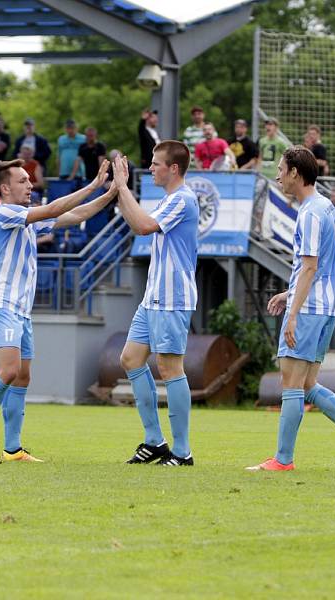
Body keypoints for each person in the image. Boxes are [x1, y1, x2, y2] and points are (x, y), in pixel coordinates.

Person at [0, 158, 117, 463]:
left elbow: (76, 215)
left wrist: (111, 192)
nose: (30, 184)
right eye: (23, 181)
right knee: (9, 371)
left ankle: (13, 449)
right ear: (5, 188)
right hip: (0, 302)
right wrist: (92, 184)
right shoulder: (6, 213)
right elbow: (52, 209)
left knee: (22, 377)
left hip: (21, 309)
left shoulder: (25, 217)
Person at [246, 147, 335, 473]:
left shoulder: (310, 213)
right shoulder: (327, 209)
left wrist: (292, 312)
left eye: (280, 168)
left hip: (309, 311)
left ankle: (283, 459)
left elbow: (309, 267)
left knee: (291, 382)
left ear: (295, 173)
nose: (276, 175)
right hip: (325, 308)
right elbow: (317, 270)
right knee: (306, 385)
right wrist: (289, 294)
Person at [111, 142, 199, 467]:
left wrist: (121, 188)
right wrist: (119, 192)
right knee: (131, 359)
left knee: (170, 368)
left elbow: (143, 226)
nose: (150, 168)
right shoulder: (169, 199)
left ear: (173, 168)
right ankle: (154, 441)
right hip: (154, 298)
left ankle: (183, 451)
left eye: (156, 163)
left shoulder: (183, 199)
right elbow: (140, 222)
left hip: (173, 298)